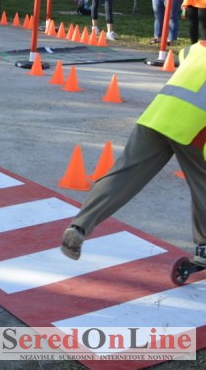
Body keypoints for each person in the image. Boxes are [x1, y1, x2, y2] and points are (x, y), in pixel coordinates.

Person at [61, 41, 206, 265]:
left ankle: (79, 226)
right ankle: (204, 247)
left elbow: (184, 55)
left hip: (157, 116)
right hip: (193, 128)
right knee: (202, 185)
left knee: (123, 174)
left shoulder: (197, 48)